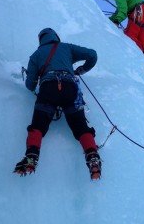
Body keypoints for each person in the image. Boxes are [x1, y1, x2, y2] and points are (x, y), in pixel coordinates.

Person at [14, 28, 102, 180]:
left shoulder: (36, 55)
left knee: (38, 125)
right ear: (56, 37)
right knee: (81, 126)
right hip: (70, 88)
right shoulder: (66, 48)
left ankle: (31, 156)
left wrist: (35, 79)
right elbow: (92, 54)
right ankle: (92, 154)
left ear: (40, 40)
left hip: (48, 89)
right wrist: (81, 70)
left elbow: (30, 85)